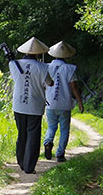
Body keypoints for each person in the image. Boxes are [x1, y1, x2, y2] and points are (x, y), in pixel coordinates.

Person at [9, 36, 49, 174]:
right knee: (33, 135)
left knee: (22, 134)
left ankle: (21, 162)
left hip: (19, 105)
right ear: (38, 53)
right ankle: (29, 166)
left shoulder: (13, 64)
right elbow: (50, 83)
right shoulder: (43, 67)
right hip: (35, 106)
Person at [43, 40, 84, 162]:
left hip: (50, 103)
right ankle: (60, 154)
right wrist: (80, 102)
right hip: (65, 104)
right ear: (67, 55)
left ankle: (48, 142)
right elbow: (74, 87)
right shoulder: (70, 69)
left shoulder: (47, 67)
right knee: (64, 129)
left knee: (51, 126)